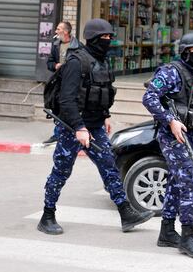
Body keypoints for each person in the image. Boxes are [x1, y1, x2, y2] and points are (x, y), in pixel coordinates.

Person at [38, 19, 152, 236]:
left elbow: (102, 92)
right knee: (61, 171)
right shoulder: (76, 61)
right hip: (72, 127)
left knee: (109, 166)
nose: (108, 41)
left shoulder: (101, 62)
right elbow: (67, 100)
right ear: (93, 39)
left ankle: (126, 212)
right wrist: (79, 128)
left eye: (110, 37)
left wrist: (105, 116)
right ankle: (47, 214)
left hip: (95, 124)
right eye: (104, 38)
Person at [142, 32, 193, 258]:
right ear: (185, 51)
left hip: (191, 134)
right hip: (172, 136)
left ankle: (167, 231)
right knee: (189, 183)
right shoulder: (170, 72)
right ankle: (188, 235)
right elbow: (149, 98)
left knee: (177, 184)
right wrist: (170, 121)